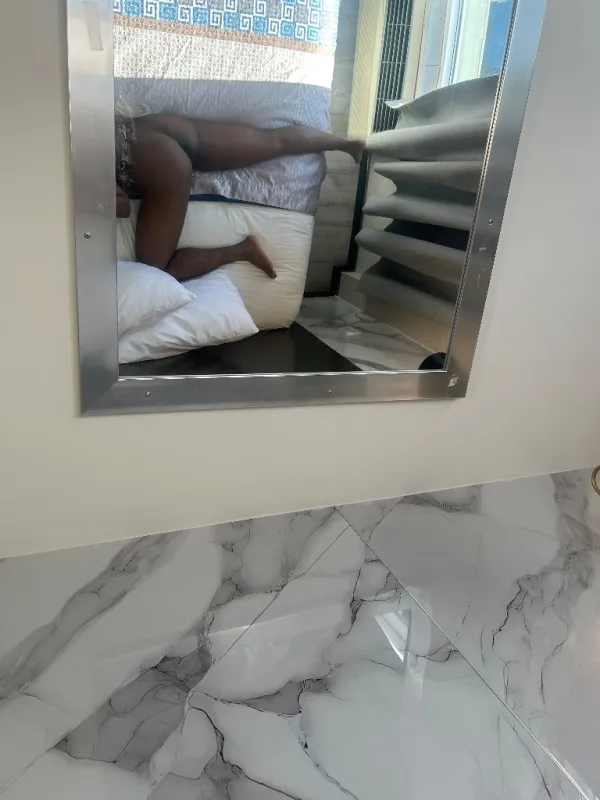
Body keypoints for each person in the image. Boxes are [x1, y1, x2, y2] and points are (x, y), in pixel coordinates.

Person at [115, 112, 365, 282]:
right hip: (152, 129)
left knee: (155, 272)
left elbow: (123, 207)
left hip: (163, 170)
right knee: (273, 141)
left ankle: (241, 250)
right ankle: (347, 144)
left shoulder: (90, 170)